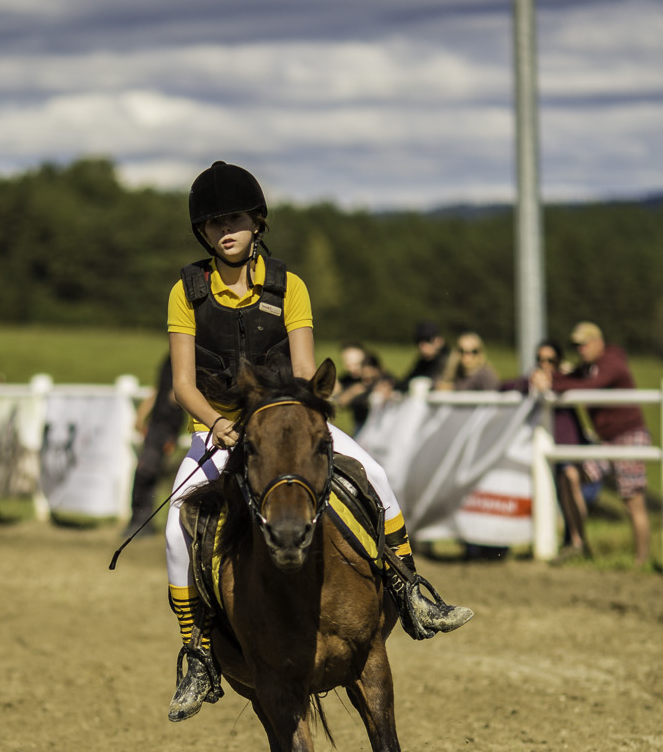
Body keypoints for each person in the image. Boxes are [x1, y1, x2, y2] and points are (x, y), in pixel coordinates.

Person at [164, 160, 473, 721]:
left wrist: (288, 421)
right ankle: (199, 655)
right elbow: (183, 384)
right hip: (217, 428)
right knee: (173, 532)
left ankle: (411, 591)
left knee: (375, 475)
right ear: (202, 232)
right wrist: (218, 423)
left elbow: (305, 371)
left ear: (257, 223)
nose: (225, 230)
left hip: (288, 423)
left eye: (235, 219)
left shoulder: (290, 286)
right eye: (213, 223)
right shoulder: (186, 293)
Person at [532, 322, 652, 565]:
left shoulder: (611, 363)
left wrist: (552, 382)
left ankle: (642, 561)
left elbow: (589, 386)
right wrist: (545, 377)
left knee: (632, 501)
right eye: (577, 345)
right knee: (572, 475)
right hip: (606, 441)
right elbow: (572, 379)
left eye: (584, 344)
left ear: (598, 342)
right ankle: (578, 543)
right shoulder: (589, 367)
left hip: (628, 437)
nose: (581, 349)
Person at [503, 340, 606, 556]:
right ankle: (572, 543)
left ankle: (578, 541)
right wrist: (531, 382)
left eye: (550, 360)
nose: (545, 364)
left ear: (559, 361)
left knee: (570, 481)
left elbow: (585, 382)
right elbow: (506, 386)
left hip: (572, 448)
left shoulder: (567, 380)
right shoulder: (533, 380)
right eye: (540, 360)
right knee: (561, 491)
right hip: (547, 450)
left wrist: (553, 381)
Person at [119, 355, 187, 542]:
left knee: (147, 471)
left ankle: (142, 522)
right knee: (145, 471)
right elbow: (159, 389)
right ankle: (139, 521)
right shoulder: (169, 359)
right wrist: (142, 415)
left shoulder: (187, 357)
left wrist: (172, 431)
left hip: (167, 425)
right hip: (156, 424)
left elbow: (184, 390)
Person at [396, 320, 449, 393]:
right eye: (418, 341)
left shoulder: (449, 361)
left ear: (439, 340)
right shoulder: (423, 362)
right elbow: (407, 381)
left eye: (428, 340)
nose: (422, 346)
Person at [435, 333, 500, 392]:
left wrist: (453, 388)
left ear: (480, 353)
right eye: (462, 351)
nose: (467, 356)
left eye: (473, 351)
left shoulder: (486, 376)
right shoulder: (452, 373)